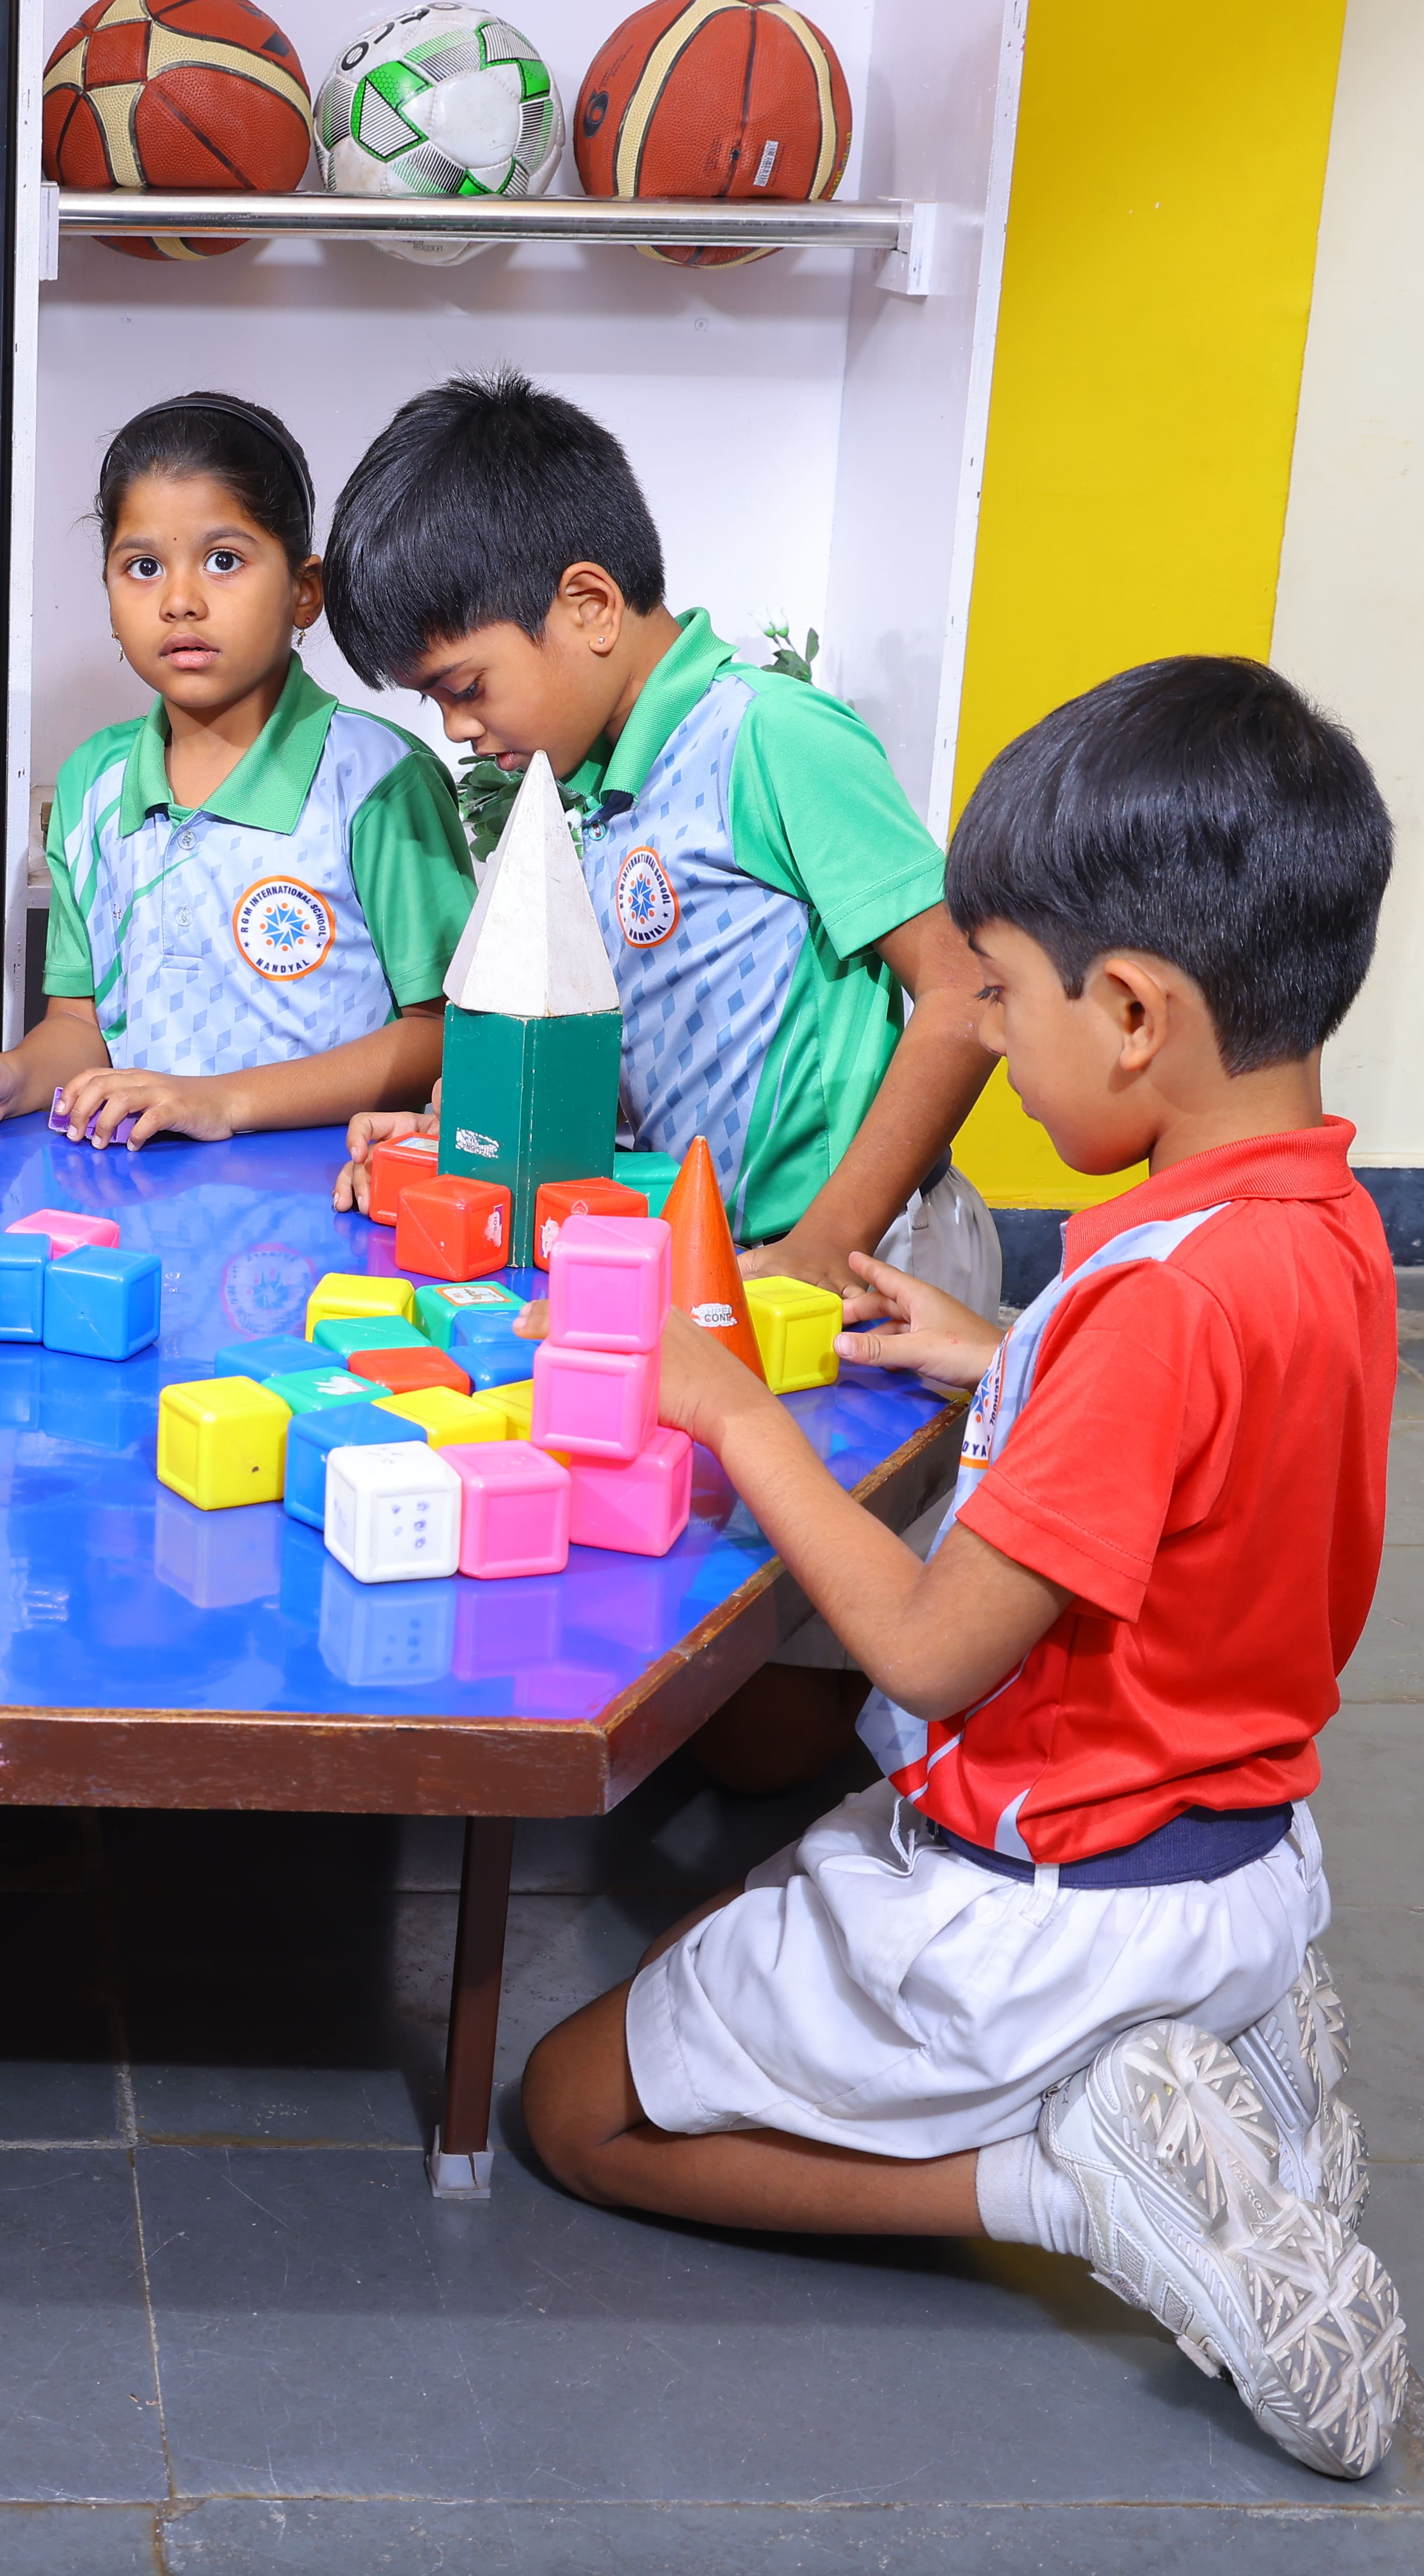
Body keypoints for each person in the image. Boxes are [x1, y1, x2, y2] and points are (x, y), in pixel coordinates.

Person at [516, 656, 1407, 2480]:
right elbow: (1205, 1459)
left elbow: (926, 1651)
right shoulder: (1315, 1226)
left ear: (1138, 1012)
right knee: (723, 1929)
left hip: (1051, 1896)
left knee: (574, 2104)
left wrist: (733, 1411)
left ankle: (1072, 2181)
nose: (985, 1029)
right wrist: (996, 1349)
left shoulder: (1150, 1309)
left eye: (1002, 991)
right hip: (1236, 1853)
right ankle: (1222, 2037)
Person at [318, 371, 1005, 1790]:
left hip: (873, 1260)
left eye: (464, 685)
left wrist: (834, 1236)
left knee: (875, 1633)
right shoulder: (586, 783)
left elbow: (972, 993)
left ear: (584, 606)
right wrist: (456, 1126)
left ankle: (915, 1834)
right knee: (743, 1585)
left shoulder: (770, 738)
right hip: (731, 1267)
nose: (458, 729)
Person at [0, 392, 472, 1150]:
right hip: (134, 1203)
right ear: (108, 596)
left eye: (224, 561)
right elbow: (80, 1026)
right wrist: (11, 1078)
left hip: (325, 1207)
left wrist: (222, 1101)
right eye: (142, 567)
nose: (179, 601)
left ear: (306, 591)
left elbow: (444, 1036)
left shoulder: (378, 782)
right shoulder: (91, 785)